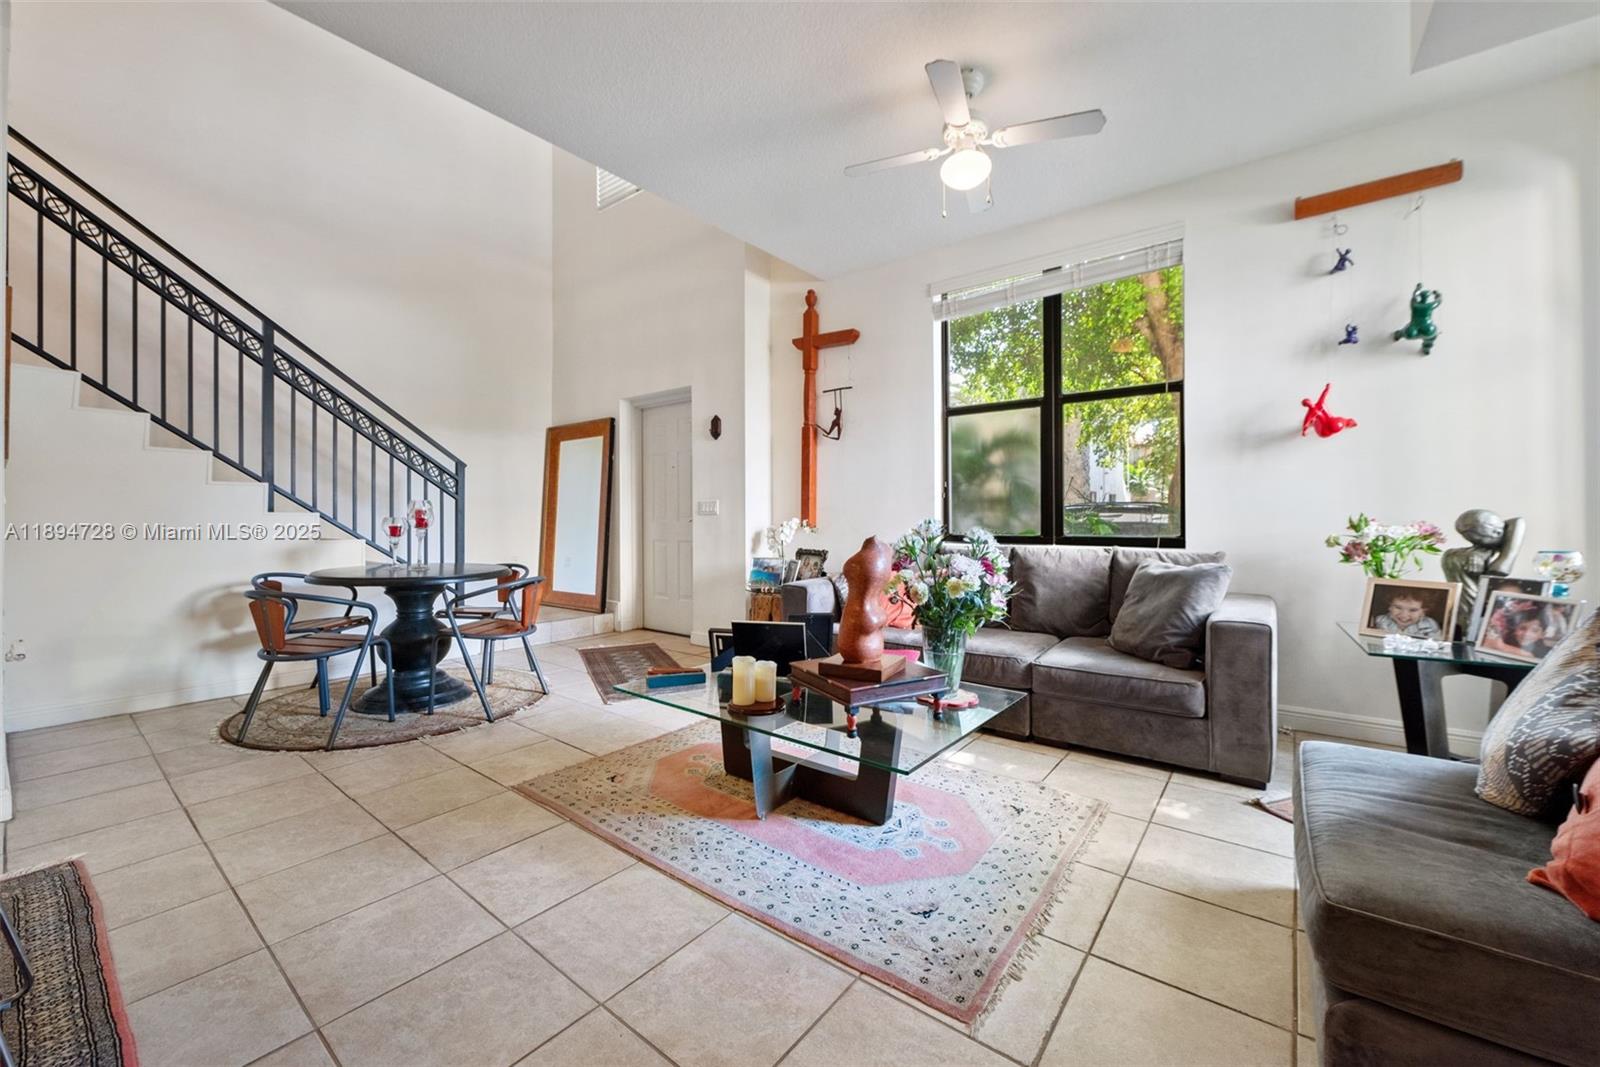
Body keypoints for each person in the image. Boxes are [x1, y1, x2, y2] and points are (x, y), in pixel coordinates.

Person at [1371, 591, 1443, 639]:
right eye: (1398, 607)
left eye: (1413, 610)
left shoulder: (1430, 625)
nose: (1404, 615)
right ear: (1389, 607)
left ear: (1424, 611)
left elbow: (1435, 645)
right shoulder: (1380, 621)